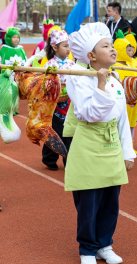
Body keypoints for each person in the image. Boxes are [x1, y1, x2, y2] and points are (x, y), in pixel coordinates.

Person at [65, 22, 135, 264]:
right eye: (106, 46)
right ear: (91, 55)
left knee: (110, 200)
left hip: (112, 144)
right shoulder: (78, 77)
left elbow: (122, 120)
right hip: (89, 143)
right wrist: (101, 85)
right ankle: (87, 248)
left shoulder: (115, 79)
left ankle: (105, 244)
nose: (114, 49)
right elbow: (90, 113)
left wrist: (128, 152)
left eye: (112, 45)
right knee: (89, 201)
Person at [41, 29, 74, 171]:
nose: (68, 49)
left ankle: (69, 161)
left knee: (69, 133)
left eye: (68, 46)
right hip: (54, 107)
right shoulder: (48, 66)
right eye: (65, 46)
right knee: (55, 133)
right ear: (55, 47)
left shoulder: (72, 65)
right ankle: (49, 159)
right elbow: (44, 86)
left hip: (70, 105)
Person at [113, 30, 137, 149]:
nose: (130, 52)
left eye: (131, 49)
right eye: (127, 49)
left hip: (134, 100)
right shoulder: (114, 66)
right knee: (120, 124)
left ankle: (129, 147)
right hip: (121, 100)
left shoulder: (134, 62)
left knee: (131, 123)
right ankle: (119, 146)